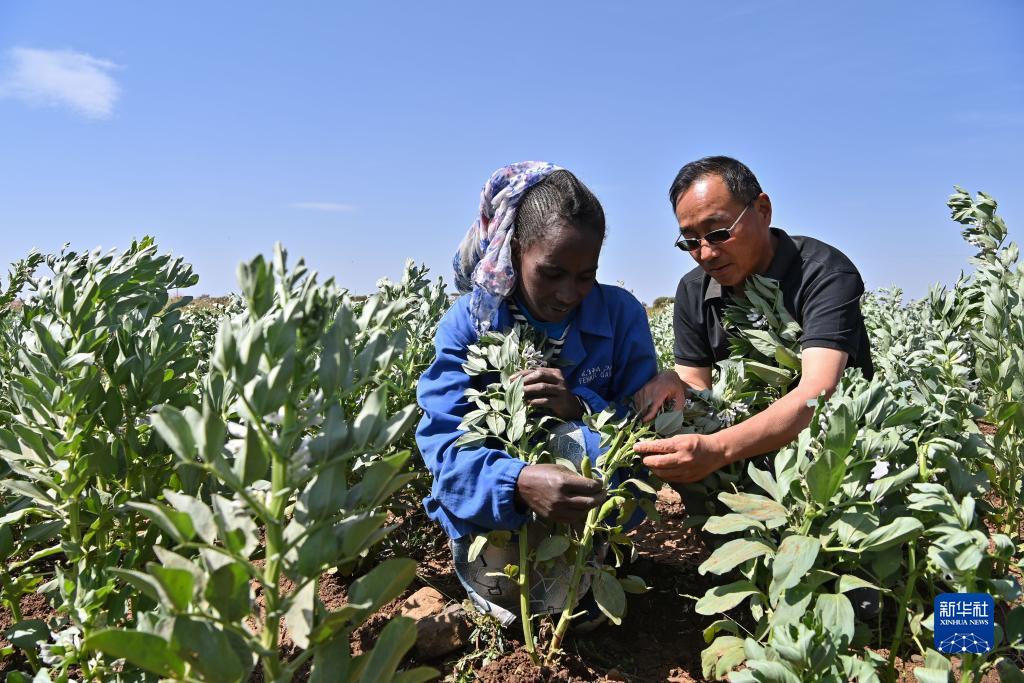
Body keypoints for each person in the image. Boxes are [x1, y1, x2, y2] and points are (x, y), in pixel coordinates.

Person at [416, 161, 658, 625]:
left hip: (593, 522)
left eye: (586, 275)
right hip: (497, 522)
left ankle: (590, 577)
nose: (569, 293)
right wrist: (518, 482)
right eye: (552, 273)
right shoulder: (470, 324)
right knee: (510, 611)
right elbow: (443, 450)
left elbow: (645, 435)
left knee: (576, 440)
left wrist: (581, 407)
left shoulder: (621, 314)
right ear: (516, 250)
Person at [633, 155, 873, 486]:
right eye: (690, 241)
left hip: (832, 447)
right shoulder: (692, 289)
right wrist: (674, 381)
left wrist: (717, 449)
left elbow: (818, 391)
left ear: (762, 210)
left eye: (718, 233)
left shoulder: (823, 273)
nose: (705, 253)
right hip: (743, 449)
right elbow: (696, 384)